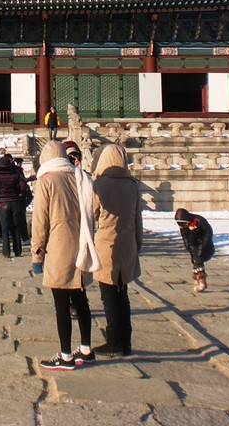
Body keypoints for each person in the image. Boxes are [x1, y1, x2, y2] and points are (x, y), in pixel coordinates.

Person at [31, 140, 100, 371]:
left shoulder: (47, 180)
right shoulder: (81, 177)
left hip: (59, 247)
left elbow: (40, 221)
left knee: (61, 304)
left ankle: (66, 355)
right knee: (81, 301)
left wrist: (37, 254)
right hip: (82, 243)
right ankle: (87, 349)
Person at [92, 144, 142, 356]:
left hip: (107, 242)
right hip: (127, 242)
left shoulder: (99, 185)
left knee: (109, 293)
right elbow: (138, 218)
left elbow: (93, 213)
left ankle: (114, 340)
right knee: (123, 293)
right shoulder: (133, 185)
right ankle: (126, 341)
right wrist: (137, 244)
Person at [0, 155, 31, 259]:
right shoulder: (15, 174)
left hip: (3, 202)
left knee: (5, 228)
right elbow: (23, 186)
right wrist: (19, 194)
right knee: (16, 227)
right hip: (14, 201)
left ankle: (6, 251)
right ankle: (17, 250)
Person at [174, 208, 214, 292]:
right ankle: (196, 280)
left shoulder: (199, 220)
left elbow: (208, 232)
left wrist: (204, 244)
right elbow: (184, 235)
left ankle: (202, 281)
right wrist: (187, 244)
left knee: (199, 261)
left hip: (201, 243)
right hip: (192, 245)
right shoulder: (183, 225)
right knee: (195, 262)